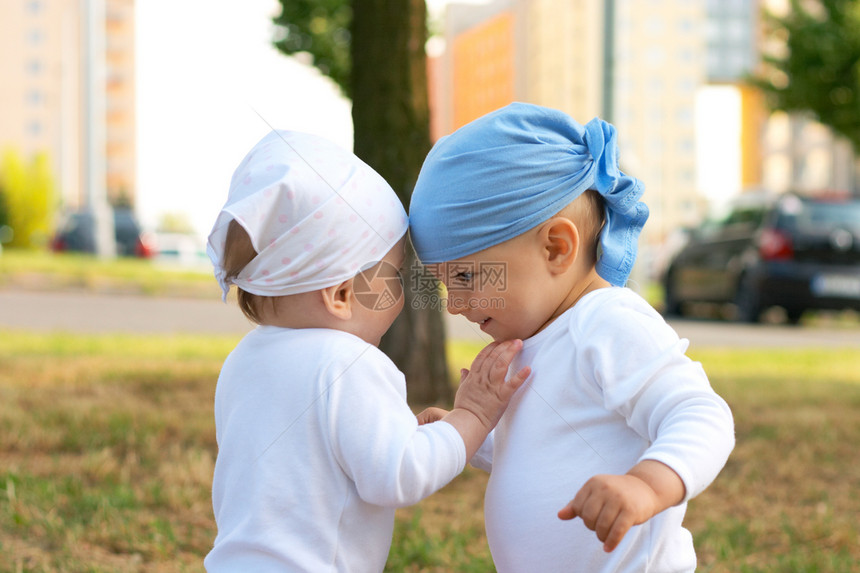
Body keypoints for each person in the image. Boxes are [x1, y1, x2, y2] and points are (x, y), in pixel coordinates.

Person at [409, 103, 735, 572]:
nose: (454, 304)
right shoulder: (533, 340)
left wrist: (647, 485)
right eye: (443, 283)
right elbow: (547, 443)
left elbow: (702, 415)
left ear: (556, 248)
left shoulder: (607, 323)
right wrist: (471, 430)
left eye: (465, 275)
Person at [203, 129, 530, 572]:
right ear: (340, 295)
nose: (400, 293)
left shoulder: (243, 360)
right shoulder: (349, 363)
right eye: (394, 276)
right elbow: (400, 474)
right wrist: (472, 416)